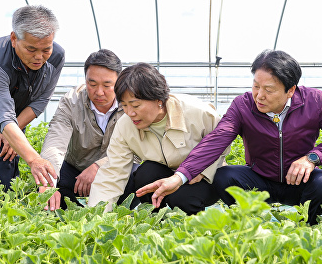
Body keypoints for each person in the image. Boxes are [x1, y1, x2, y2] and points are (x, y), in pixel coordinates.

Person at [138, 50, 322, 225]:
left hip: (298, 181)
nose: (259, 96)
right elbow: (217, 140)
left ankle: (312, 228)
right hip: (260, 180)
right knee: (225, 176)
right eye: (256, 86)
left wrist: (313, 157)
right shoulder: (243, 105)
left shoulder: (314, 101)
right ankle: (252, 224)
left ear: (291, 90)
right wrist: (181, 176)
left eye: (269, 90)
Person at [87, 62, 227, 214]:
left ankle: (194, 226)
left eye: (135, 105)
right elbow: (113, 173)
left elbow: (222, 143)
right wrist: (96, 215)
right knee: (146, 173)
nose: (129, 113)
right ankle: (155, 218)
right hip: (165, 175)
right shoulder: (125, 126)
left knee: (180, 198)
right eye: (124, 105)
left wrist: (200, 171)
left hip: (201, 178)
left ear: (158, 100)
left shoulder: (198, 112)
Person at [0, 5, 65, 190]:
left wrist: (14, 134)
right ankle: (0, 204)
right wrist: (34, 159)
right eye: (31, 49)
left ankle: (13, 197)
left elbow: (41, 100)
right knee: (3, 148)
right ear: (14, 39)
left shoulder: (57, 56)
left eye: (46, 50)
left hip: (21, 101)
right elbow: (3, 114)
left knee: (15, 146)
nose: (39, 57)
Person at [39, 49, 134, 210]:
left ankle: (111, 209)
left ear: (118, 82)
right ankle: (76, 209)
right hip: (76, 171)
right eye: (92, 84)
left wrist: (99, 167)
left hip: (116, 169)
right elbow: (55, 142)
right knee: (52, 182)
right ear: (85, 80)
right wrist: (49, 182)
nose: (99, 92)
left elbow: (136, 151)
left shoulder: (131, 103)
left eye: (107, 85)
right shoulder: (71, 102)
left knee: (138, 175)